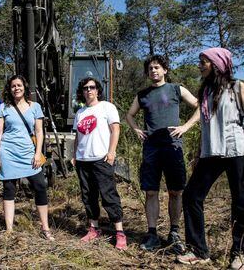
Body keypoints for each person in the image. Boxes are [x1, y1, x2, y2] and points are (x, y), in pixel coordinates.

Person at [177, 48, 244, 268]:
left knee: (241, 203)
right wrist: (199, 153)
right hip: (211, 153)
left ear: (217, 64)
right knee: (191, 196)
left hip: (237, 151)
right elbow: (206, 125)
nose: (200, 66)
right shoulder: (205, 92)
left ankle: (239, 254)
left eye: (203, 62)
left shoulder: (237, 87)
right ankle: (199, 250)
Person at [126, 55, 199, 252]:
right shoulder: (143, 95)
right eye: (150, 69)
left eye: (157, 67)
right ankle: (152, 234)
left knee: (175, 191)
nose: (153, 71)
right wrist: (136, 129)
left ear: (165, 70)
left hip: (172, 145)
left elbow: (200, 106)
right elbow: (129, 115)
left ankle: (174, 232)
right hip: (151, 148)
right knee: (151, 191)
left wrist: (186, 126)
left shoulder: (176, 89)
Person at [0, 75, 54, 241]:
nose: (16, 88)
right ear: (9, 89)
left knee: (40, 186)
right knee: (9, 189)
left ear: (24, 87)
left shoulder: (35, 107)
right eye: (13, 86)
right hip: (8, 152)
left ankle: (45, 228)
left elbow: (39, 132)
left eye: (19, 85)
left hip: (28, 152)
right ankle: (9, 230)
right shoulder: (4, 107)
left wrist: (37, 153)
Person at [72, 77, 127, 250]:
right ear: (81, 92)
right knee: (88, 196)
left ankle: (119, 232)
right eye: (85, 88)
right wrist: (74, 155)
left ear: (97, 90)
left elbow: (115, 129)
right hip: (83, 160)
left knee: (108, 195)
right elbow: (77, 137)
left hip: (101, 159)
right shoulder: (80, 112)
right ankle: (94, 229)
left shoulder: (107, 107)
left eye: (92, 87)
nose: (89, 90)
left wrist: (112, 151)